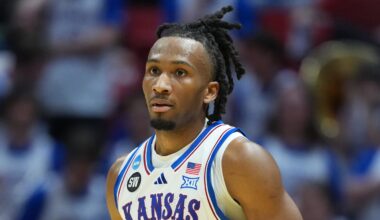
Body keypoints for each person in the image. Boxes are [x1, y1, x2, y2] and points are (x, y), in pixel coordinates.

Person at [106, 6, 302, 220]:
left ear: (209, 92)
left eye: (180, 73)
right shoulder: (121, 174)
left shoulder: (240, 160)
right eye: (154, 70)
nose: (160, 85)